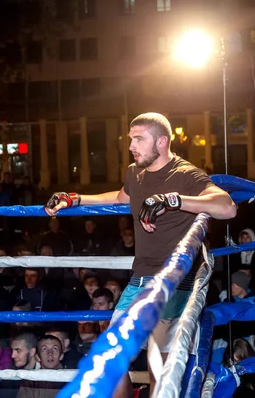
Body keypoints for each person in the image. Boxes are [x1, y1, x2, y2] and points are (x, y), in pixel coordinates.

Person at [45, 112, 236, 397]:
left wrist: (174, 200)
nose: (132, 146)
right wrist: (75, 198)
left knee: (156, 364)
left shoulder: (185, 173)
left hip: (174, 281)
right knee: (111, 358)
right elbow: (123, 197)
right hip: (140, 278)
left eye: (139, 139)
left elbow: (228, 207)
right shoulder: (136, 172)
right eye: (130, 138)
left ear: (161, 142)